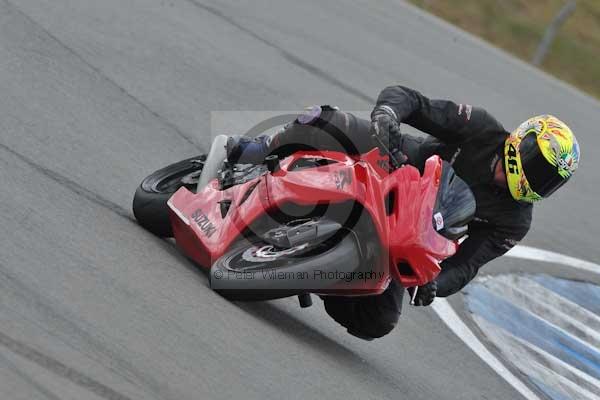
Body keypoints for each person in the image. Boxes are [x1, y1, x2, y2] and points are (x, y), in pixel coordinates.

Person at [227, 85, 581, 340]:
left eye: (550, 179)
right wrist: (388, 114)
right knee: (332, 122)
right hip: (396, 164)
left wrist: (433, 284)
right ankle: (260, 151)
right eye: (540, 165)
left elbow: (467, 265)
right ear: (524, 141)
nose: (539, 179)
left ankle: (320, 275)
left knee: (377, 321)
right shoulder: (481, 129)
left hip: (410, 230)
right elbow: (413, 101)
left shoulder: (514, 220)